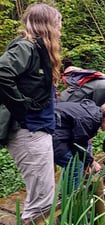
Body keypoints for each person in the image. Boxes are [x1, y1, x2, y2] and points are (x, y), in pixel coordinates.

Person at [0, 3, 62, 221]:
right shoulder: (26, 48)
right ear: (47, 25)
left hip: (38, 129)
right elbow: (2, 73)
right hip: (29, 130)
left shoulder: (39, 51)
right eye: (58, 23)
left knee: (44, 196)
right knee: (42, 202)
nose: (60, 29)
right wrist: (22, 105)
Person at [53, 100, 105, 191]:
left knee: (76, 162)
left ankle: (64, 192)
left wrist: (87, 163)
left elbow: (79, 142)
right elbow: (77, 146)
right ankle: (69, 199)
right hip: (53, 136)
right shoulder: (89, 121)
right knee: (75, 165)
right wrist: (91, 162)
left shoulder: (91, 114)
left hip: (58, 132)